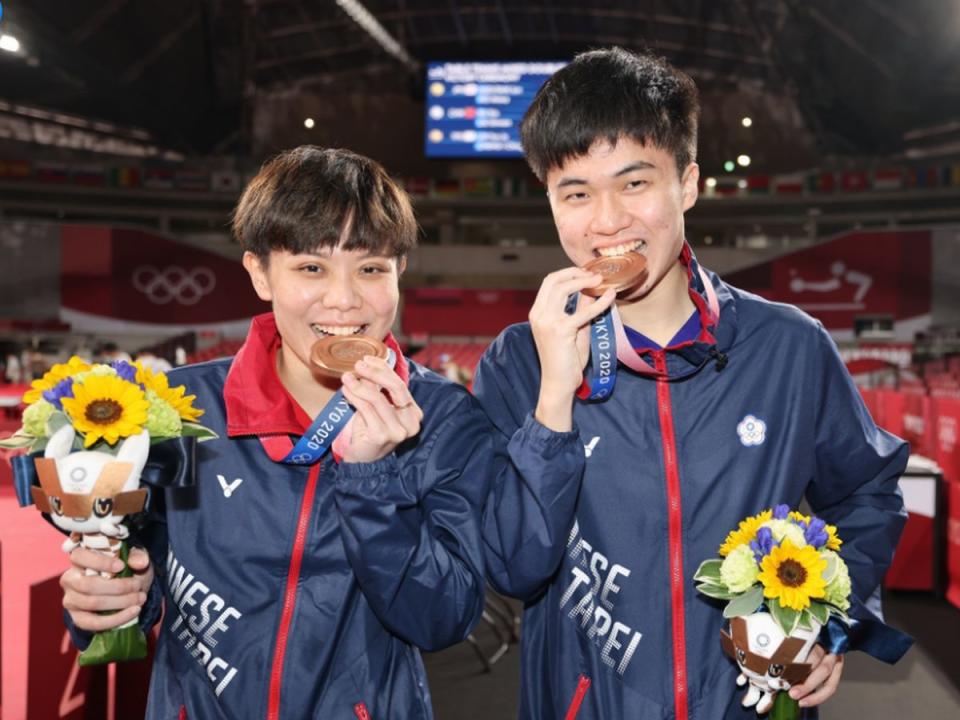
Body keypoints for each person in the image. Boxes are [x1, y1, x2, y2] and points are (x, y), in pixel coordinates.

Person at [474, 48, 910, 720]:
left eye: (635, 184)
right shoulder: (518, 363)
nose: (608, 220)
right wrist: (554, 397)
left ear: (689, 184)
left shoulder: (789, 347)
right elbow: (514, 568)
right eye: (576, 193)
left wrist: (828, 617)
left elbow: (868, 491)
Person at [59, 146, 492, 719]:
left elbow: (442, 620)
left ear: (399, 272)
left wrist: (371, 483)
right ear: (259, 273)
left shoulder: (442, 417)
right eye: (311, 268)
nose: (343, 299)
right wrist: (109, 599)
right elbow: (137, 574)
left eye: (371, 268)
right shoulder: (175, 411)